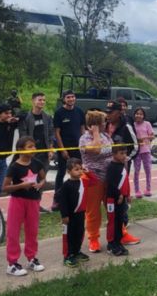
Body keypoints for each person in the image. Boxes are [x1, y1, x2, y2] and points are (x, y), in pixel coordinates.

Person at [2, 136, 46, 276]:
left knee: (32, 230)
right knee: (13, 232)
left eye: (34, 146)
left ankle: (31, 258)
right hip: (18, 201)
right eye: (30, 147)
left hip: (33, 201)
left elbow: (43, 178)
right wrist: (21, 185)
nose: (33, 149)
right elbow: (5, 187)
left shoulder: (37, 163)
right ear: (20, 150)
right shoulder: (14, 166)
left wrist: (40, 184)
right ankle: (12, 263)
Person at [79, 110, 114, 253]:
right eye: (103, 122)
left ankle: (120, 233)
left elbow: (112, 151)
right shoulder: (84, 139)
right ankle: (93, 238)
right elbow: (97, 150)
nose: (106, 124)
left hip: (109, 178)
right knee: (93, 211)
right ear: (95, 125)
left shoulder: (106, 136)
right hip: (93, 179)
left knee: (112, 208)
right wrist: (95, 133)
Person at [52, 90, 86, 211]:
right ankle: (57, 200)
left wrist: (84, 144)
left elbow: (82, 129)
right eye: (68, 97)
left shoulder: (79, 111)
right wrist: (62, 149)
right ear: (64, 99)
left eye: (72, 97)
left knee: (79, 173)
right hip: (65, 149)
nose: (71, 99)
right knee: (61, 173)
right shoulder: (59, 113)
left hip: (78, 149)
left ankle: (78, 197)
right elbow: (57, 132)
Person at [55, 158, 92, 268]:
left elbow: (94, 181)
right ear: (68, 171)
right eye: (76, 169)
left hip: (81, 214)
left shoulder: (83, 181)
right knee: (69, 236)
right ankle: (67, 256)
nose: (80, 171)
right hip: (70, 216)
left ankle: (76, 251)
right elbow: (62, 201)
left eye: (81, 169)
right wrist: (64, 215)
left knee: (79, 233)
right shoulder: (66, 185)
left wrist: (87, 172)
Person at [18, 92, 56, 177]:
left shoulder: (47, 117)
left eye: (44, 100)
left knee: (42, 177)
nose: (42, 102)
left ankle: (40, 190)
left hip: (44, 152)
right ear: (33, 101)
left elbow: (51, 134)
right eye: (40, 100)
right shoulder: (26, 118)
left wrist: (51, 149)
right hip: (31, 153)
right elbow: (23, 136)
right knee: (30, 177)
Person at [105, 141, 131, 256]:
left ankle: (118, 242)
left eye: (125, 153)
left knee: (120, 221)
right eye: (121, 153)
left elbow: (125, 181)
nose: (124, 156)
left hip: (122, 199)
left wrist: (127, 194)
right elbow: (111, 184)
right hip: (113, 199)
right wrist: (118, 194)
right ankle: (111, 244)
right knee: (113, 222)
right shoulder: (111, 167)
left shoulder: (122, 165)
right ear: (114, 154)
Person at [131, 108, 154, 198]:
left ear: (143, 116)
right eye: (137, 113)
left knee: (148, 170)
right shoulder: (133, 125)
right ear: (134, 115)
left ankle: (148, 189)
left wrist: (145, 138)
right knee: (136, 171)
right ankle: (137, 190)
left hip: (146, 151)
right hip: (136, 152)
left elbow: (152, 136)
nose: (138, 115)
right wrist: (137, 140)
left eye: (141, 114)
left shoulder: (147, 124)